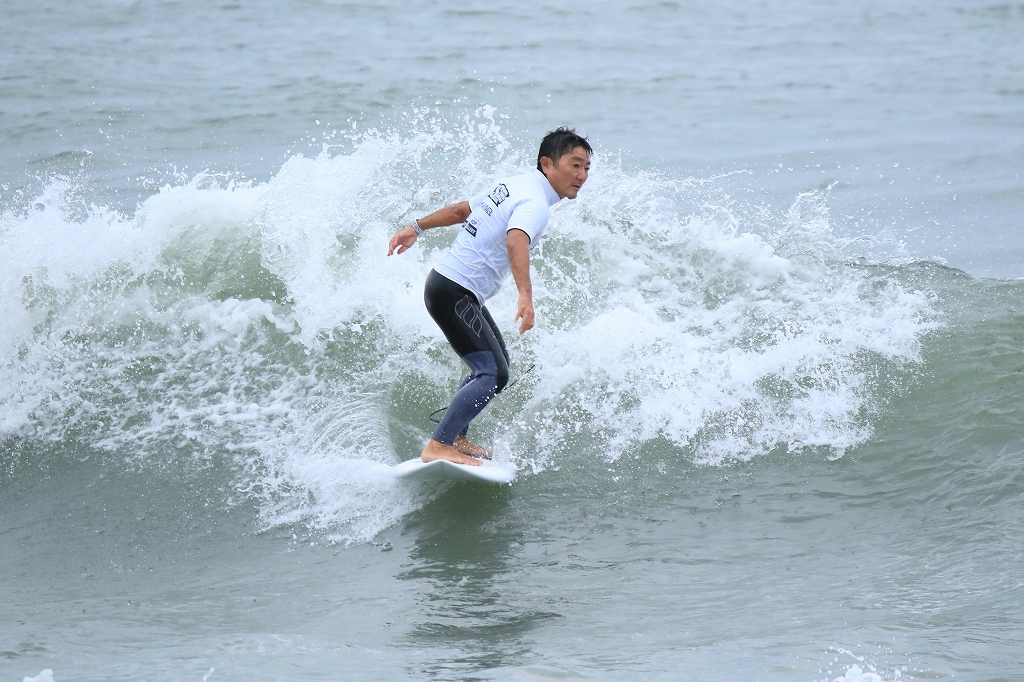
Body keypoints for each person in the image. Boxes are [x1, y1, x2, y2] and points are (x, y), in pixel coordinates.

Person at [387, 127, 592, 466]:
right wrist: (525, 297)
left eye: (586, 168)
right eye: (575, 165)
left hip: (448, 286)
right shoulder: (535, 204)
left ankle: (455, 437)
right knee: (491, 372)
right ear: (547, 164)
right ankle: (439, 444)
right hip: (454, 291)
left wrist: (416, 227)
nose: (582, 176)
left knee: (497, 368)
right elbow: (516, 240)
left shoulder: (513, 185)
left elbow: (461, 212)